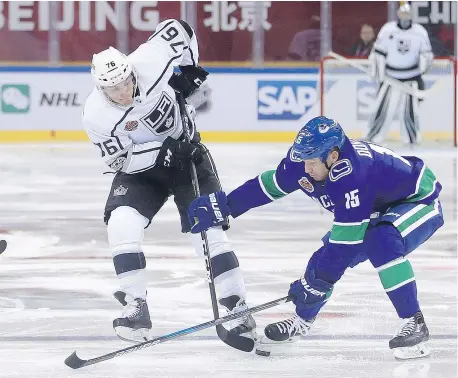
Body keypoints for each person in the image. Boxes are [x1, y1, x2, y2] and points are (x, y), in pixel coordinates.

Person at [188, 116, 444, 360]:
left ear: (333, 156)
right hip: (376, 205)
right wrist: (226, 206)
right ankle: (302, 321)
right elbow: (269, 186)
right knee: (321, 260)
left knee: (381, 241)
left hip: (417, 200)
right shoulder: (305, 160)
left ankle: (414, 321)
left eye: (312, 163)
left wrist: (315, 286)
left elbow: (344, 249)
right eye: (304, 161)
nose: (306, 169)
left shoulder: (352, 175)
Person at [82, 19, 255, 343]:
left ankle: (236, 305)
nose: (123, 91)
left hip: (189, 157)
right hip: (144, 170)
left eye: (126, 81)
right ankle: (136, 307)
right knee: (121, 223)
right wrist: (160, 150)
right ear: (100, 88)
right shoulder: (95, 114)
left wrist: (189, 68)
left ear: (132, 70)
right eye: (113, 88)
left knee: (207, 231)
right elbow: (118, 159)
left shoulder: (150, 59)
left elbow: (181, 28)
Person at [367, 2, 434, 145]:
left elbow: (427, 54)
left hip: (411, 77)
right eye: (402, 13)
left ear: (411, 15)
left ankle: (412, 139)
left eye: (407, 13)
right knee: (382, 109)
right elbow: (378, 52)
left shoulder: (419, 31)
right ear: (398, 13)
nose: (404, 16)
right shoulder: (387, 30)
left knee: (410, 112)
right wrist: (376, 70)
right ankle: (373, 137)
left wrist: (424, 65)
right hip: (390, 77)